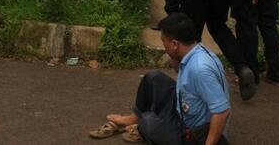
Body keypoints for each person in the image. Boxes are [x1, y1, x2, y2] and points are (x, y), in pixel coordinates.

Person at [89, 13, 230, 144]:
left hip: (195, 133)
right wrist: (174, 56)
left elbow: (222, 111)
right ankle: (134, 118)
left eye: (164, 41)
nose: (163, 46)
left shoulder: (200, 69)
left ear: (175, 44)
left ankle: (142, 124)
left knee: (148, 122)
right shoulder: (194, 51)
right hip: (184, 108)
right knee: (153, 77)